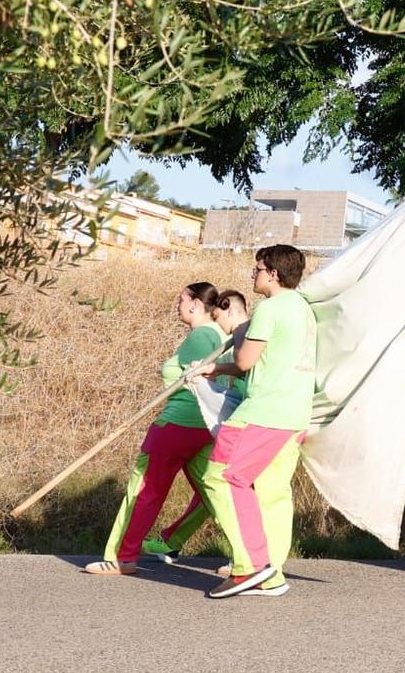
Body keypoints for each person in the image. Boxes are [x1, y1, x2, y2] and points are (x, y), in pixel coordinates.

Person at [187, 244, 317, 599]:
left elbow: (244, 362)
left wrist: (218, 366)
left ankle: (250, 566)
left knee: (222, 477)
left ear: (273, 273)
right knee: (272, 493)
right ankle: (271, 574)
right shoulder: (304, 309)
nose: (253, 274)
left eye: (257, 269)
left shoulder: (270, 308)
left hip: (264, 412)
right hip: (295, 415)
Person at [86, 283, 231, 577]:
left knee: (144, 488)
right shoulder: (219, 334)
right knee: (216, 493)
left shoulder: (201, 335)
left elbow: (205, 380)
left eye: (181, 299)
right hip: (204, 426)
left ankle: (121, 557)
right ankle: (250, 559)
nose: (177, 305)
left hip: (178, 423)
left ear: (194, 303)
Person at [144, 289, 252, 564]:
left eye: (218, 316)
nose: (218, 324)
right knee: (213, 483)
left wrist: (213, 371)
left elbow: (242, 369)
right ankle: (172, 541)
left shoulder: (241, 335)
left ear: (229, 309)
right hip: (230, 414)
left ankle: (251, 556)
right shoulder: (231, 336)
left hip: (240, 416)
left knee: (224, 485)